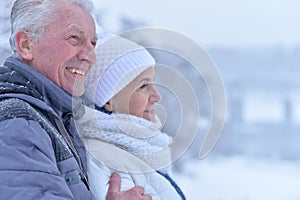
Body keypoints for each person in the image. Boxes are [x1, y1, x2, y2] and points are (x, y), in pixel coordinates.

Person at [0, 0, 151, 199]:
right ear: (26, 45)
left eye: (93, 43)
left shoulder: (56, 118)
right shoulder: (19, 123)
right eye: (74, 38)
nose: (90, 56)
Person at [78, 33, 186, 200]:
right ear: (109, 100)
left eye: (153, 83)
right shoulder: (102, 157)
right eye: (144, 86)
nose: (157, 96)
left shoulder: (137, 146)